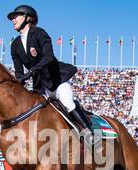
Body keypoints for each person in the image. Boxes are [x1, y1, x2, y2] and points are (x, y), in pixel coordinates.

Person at [7, 4, 95, 144]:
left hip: (56, 80)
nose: (13, 19)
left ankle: (88, 131)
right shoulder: (15, 45)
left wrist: (30, 72)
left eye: (16, 16)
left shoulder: (39, 33)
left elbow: (48, 57)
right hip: (40, 87)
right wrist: (17, 82)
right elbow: (18, 71)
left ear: (28, 18)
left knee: (67, 102)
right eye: (12, 17)